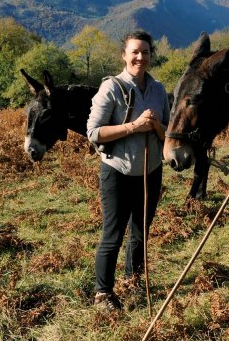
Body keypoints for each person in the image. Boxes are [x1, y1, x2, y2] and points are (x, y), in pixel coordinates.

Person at [86, 30, 170, 311]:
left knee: (140, 232)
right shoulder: (111, 88)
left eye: (145, 52)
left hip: (150, 172)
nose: (140, 57)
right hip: (117, 173)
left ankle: (133, 281)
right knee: (113, 234)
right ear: (124, 55)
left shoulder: (158, 90)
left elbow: (168, 133)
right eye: (134, 51)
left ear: (150, 55)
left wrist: (156, 125)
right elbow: (93, 132)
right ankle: (103, 294)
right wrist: (133, 127)